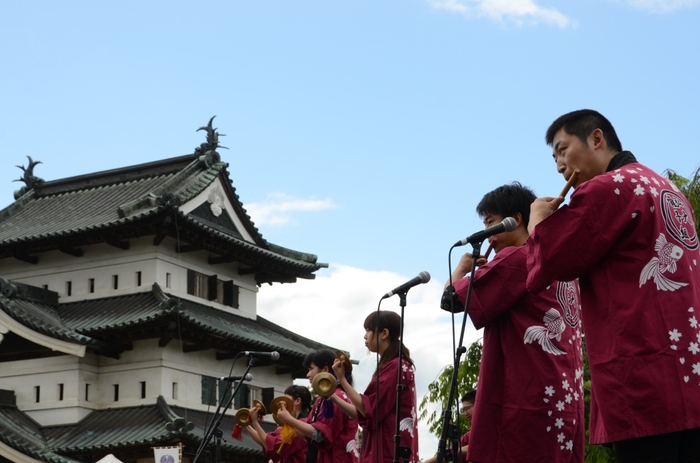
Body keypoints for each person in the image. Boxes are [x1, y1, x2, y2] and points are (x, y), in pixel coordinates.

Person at [526, 109, 700, 462]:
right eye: (554, 157)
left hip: (644, 374)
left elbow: (552, 261)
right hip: (689, 373)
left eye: (562, 149)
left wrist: (536, 225)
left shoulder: (607, 187)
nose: (559, 165)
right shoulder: (669, 190)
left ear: (596, 138)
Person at [442, 182, 584, 463]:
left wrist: (460, 269)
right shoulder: (562, 266)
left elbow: (450, 301)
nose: (487, 234)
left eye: (490, 223)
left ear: (515, 220)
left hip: (524, 399)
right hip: (562, 402)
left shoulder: (517, 257)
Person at [331, 310, 419, 463]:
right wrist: (332, 393)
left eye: (368, 330)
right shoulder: (393, 365)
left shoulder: (396, 366)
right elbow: (364, 412)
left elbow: (367, 409)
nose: (365, 336)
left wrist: (342, 380)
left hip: (388, 450)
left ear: (384, 333)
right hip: (386, 447)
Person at [275, 349, 359, 463]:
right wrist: (287, 421)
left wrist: (289, 419)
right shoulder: (322, 399)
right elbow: (309, 435)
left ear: (324, 369)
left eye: (311, 369)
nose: (308, 374)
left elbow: (320, 435)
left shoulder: (337, 397)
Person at [246, 385, 312, 463]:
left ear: (297, 401)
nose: (282, 404)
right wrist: (246, 425)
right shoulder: (290, 424)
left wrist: (255, 422)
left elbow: (271, 445)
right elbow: (264, 441)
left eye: (286, 401)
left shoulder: (302, 424)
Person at [421, 390, 476, 463]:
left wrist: (454, 451)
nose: (465, 413)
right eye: (463, 410)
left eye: (467, 408)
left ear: (477, 404)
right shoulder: (469, 436)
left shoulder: (491, 427)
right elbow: (448, 454)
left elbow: (476, 448)